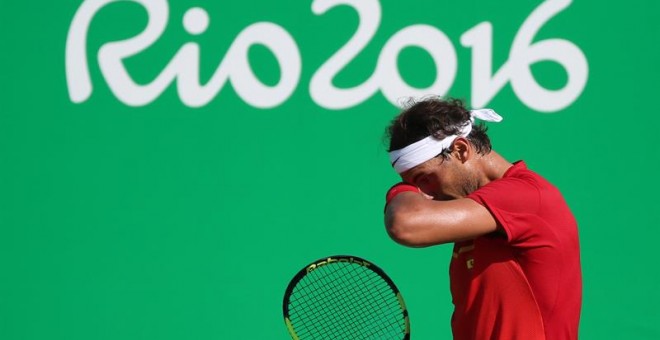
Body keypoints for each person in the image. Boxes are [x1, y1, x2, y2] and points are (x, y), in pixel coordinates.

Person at [383, 97, 582, 340]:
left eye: (424, 178)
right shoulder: (479, 215)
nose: (423, 194)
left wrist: (400, 190)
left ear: (460, 150)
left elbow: (405, 223)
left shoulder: (526, 197)